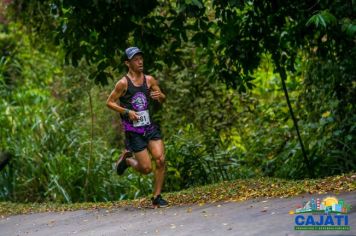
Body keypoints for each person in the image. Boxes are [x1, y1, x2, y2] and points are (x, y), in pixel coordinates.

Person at [106, 47, 168, 208]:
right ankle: (127, 161)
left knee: (160, 159)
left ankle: (157, 196)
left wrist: (159, 96)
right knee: (146, 168)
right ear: (128, 63)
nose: (140, 62)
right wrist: (127, 112)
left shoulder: (149, 80)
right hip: (134, 131)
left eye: (141, 58)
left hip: (149, 126)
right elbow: (109, 102)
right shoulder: (123, 83)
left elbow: (162, 98)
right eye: (135, 59)